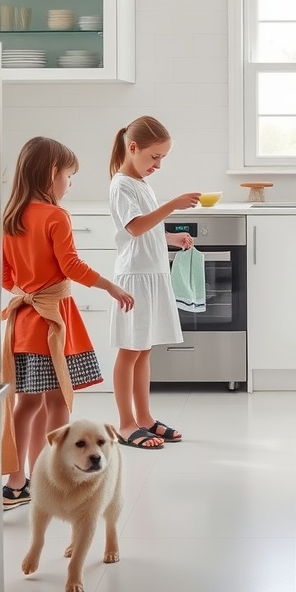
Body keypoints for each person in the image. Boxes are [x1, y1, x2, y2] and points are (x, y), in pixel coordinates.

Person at [1, 136, 134, 509]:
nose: (69, 184)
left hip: (24, 323)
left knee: (25, 404)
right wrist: (109, 285)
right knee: (58, 402)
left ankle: (16, 483)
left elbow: (5, 277)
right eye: (69, 175)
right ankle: (48, 481)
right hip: (54, 321)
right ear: (51, 173)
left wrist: (29, 285)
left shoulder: (10, 215)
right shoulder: (55, 215)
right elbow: (71, 265)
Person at [109, 115, 200, 449]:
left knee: (144, 349)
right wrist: (173, 205)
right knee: (130, 350)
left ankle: (144, 418)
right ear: (133, 148)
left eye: (162, 158)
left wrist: (171, 238)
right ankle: (125, 423)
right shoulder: (120, 185)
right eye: (154, 156)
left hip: (151, 273)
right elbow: (133, 228)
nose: (158, 164)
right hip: (134, 277)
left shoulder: (141, 185)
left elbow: (145, 229)